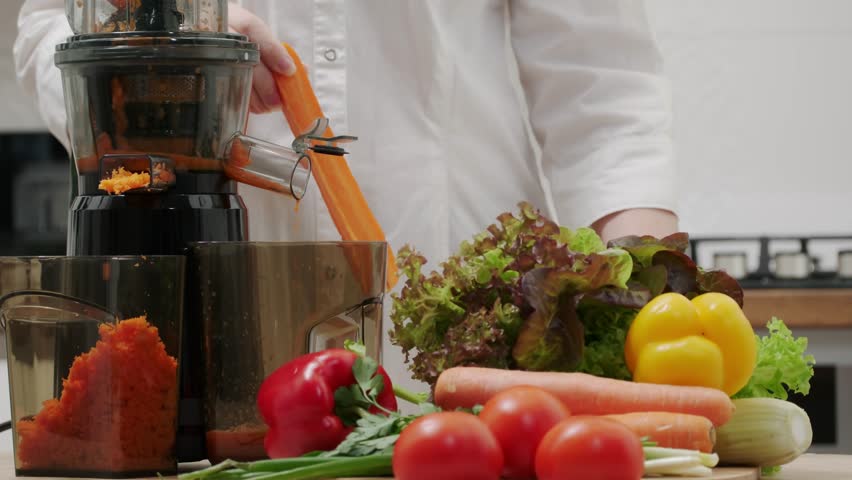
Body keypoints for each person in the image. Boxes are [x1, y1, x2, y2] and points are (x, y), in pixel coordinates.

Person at [14, 0, 678, 392]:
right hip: (218, 339)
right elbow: (50, 26)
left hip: (475, 343)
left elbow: (604, 85)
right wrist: (166, 44)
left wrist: (650, 294)